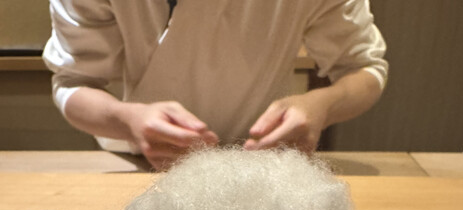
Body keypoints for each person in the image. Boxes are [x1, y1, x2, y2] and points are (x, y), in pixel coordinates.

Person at [43, 0, 388, 169]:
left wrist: (322, 105)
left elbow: (364, 68)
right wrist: (126, 120)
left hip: (266, 168)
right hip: (141, 165)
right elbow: (74, 81)